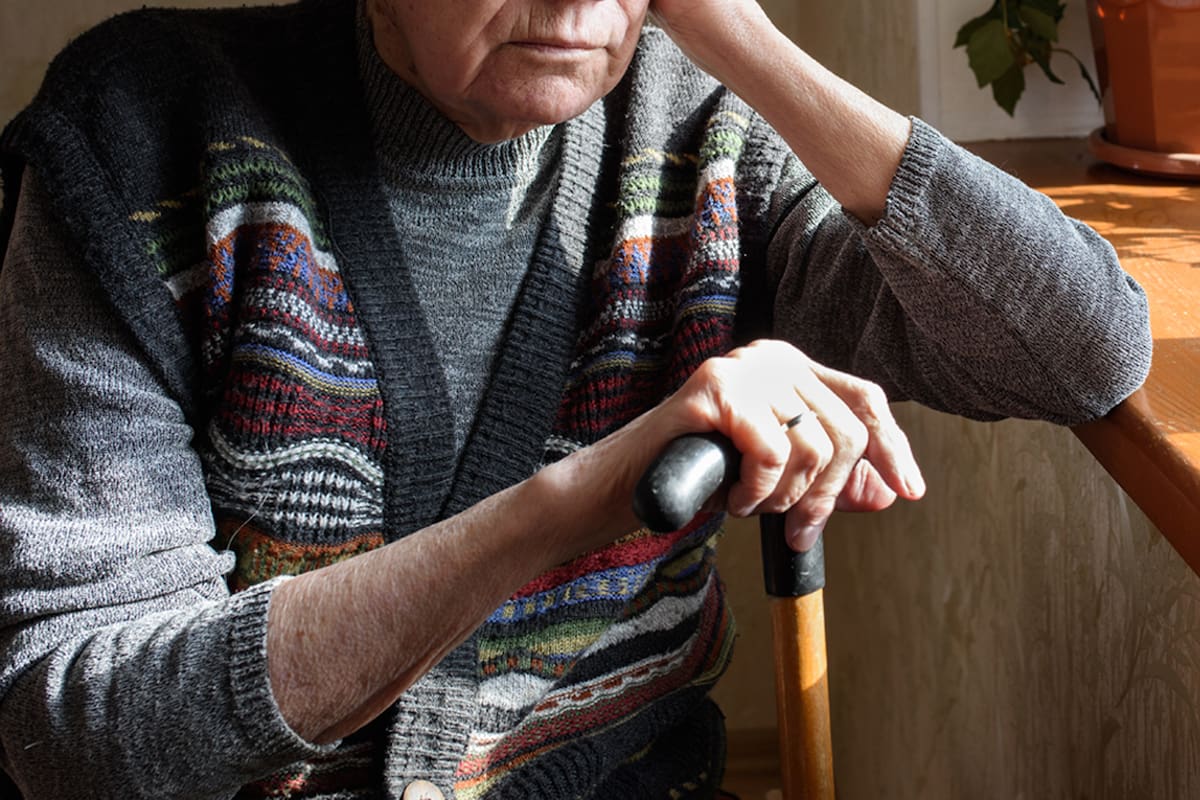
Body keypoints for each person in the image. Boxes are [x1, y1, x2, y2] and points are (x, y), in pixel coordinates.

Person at [0, 0, 1150, 797]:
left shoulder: (701, 135)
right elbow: (83, 730)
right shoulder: (139, 140)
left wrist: (745, 43)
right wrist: (584, 495)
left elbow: (1081, 349)